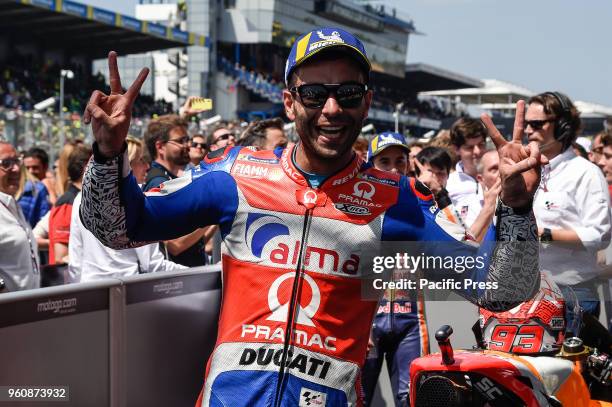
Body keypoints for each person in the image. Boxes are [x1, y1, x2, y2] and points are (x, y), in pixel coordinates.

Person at [81, 27, 543, 405]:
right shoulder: (234, 173)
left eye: (346, 93)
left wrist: (517, 208)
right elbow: (119, 228)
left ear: (366, 102)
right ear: (289, 102)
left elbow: (499, 291)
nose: (331, 109)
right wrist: (107, 153)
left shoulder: (394, 199)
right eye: (315, 93)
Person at [527, 91, 611, 322]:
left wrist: (544, 235)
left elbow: (599, 235)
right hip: (527, 293)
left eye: (536, 124)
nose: (528, 130)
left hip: (571, 294)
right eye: (527, 124)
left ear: (562, 125)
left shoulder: (586, 173)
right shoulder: (524, 171)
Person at [362, 132, 429, 406]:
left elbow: (458, 241)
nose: (393, 169)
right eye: (384, 162)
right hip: (368, 319)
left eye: (399, 161)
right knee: (359, 395)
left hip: (410, 319)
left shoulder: (422, 201)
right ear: (370, 165)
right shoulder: (358, 207)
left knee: (409, 397)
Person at [68, 138, 184, 282]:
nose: (147, 166)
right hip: (128, 291)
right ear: (127, 165)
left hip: (90, 289)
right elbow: (152, 265)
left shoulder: (81, 198)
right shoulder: (138, 199)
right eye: (141, 160)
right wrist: (200, 273)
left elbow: (75, 263)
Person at [142, 114, 211, 267]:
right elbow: (175, 245)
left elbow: (193, 240)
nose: (187, 145)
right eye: (181, 141)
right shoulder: (159, 183)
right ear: (160, 147)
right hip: (177, 281)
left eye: (187, 140)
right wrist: (214, 211)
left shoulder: (170, 179)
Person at [0, 141, 39, 291]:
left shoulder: (11, 204)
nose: (15, 169)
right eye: (6, 163)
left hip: (26, 307)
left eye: (17, 161)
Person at [48, 144, 91, 264]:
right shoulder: (67, 203)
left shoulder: (82, 199)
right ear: (86, 167)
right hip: (70, 280)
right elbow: (61, 257)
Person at [446, 118, 488, 226]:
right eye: (469, 147)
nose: (477, 151)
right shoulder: (448, 184)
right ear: (456, 149)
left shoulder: (499, 178)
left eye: (481, 145)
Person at [18, 147, 51, 227]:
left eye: (35, 167)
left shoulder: (45, 188)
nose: (30, 171)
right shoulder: (16, 188)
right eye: (27, 168)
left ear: (45, 167)